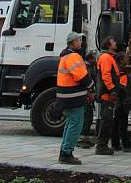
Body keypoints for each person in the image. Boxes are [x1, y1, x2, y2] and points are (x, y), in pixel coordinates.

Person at [57, 31, 93, 165]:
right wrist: (91, 85)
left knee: (70, 123)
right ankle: (66, 153)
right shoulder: (73, 57)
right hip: (73, 96)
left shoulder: (65, 56)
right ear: (74, 42)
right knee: (76, 124)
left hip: (66, 95)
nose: (81, 42)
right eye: (79, 40)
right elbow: (81, 76)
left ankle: (64, 151)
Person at [96, 35, 123, 156]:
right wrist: (112, 89)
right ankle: (101, 147)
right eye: (113, 42)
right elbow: (106, 75)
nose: (115, 43)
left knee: (107, 120)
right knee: (106, 120)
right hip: (107, 94)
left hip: (108, 93)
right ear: (108, 45)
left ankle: (102, 145)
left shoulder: (108, 57)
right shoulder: (106, 57)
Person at [111, 52, 131, 152]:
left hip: (121, 101)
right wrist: (125, 100)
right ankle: (126, 145)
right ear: (121, 60)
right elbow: (122, 88)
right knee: (122, 124)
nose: (128, 59)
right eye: (126, 57)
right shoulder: (121, 71)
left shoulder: (122, 69)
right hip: (122, 102)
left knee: (117, 123)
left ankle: (116, 144)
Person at [77, 50, 97, 149]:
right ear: (90, 58)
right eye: (94, 58)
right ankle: (81, 139)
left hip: (86, 95)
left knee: (87, 117)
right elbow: (90, 80)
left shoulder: (87, 66)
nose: (96, 60)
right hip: (86, 96)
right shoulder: (86, 67)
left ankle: (84, 139)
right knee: (86, 117)